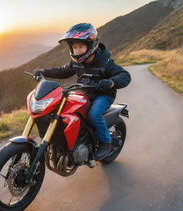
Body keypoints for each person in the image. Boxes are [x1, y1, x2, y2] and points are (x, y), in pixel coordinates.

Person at [33, 23, 131, 160]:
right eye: (74, 47)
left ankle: (105, 143)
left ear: (90, 45)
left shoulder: (106, 62)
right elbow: (63, 71)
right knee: (65, 112)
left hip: (102, 96)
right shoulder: (76, 63)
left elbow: (125, 76)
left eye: (80, 46)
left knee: (94, 114)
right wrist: (44, 71)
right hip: (84, 93)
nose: (77, 50)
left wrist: (111, 82)